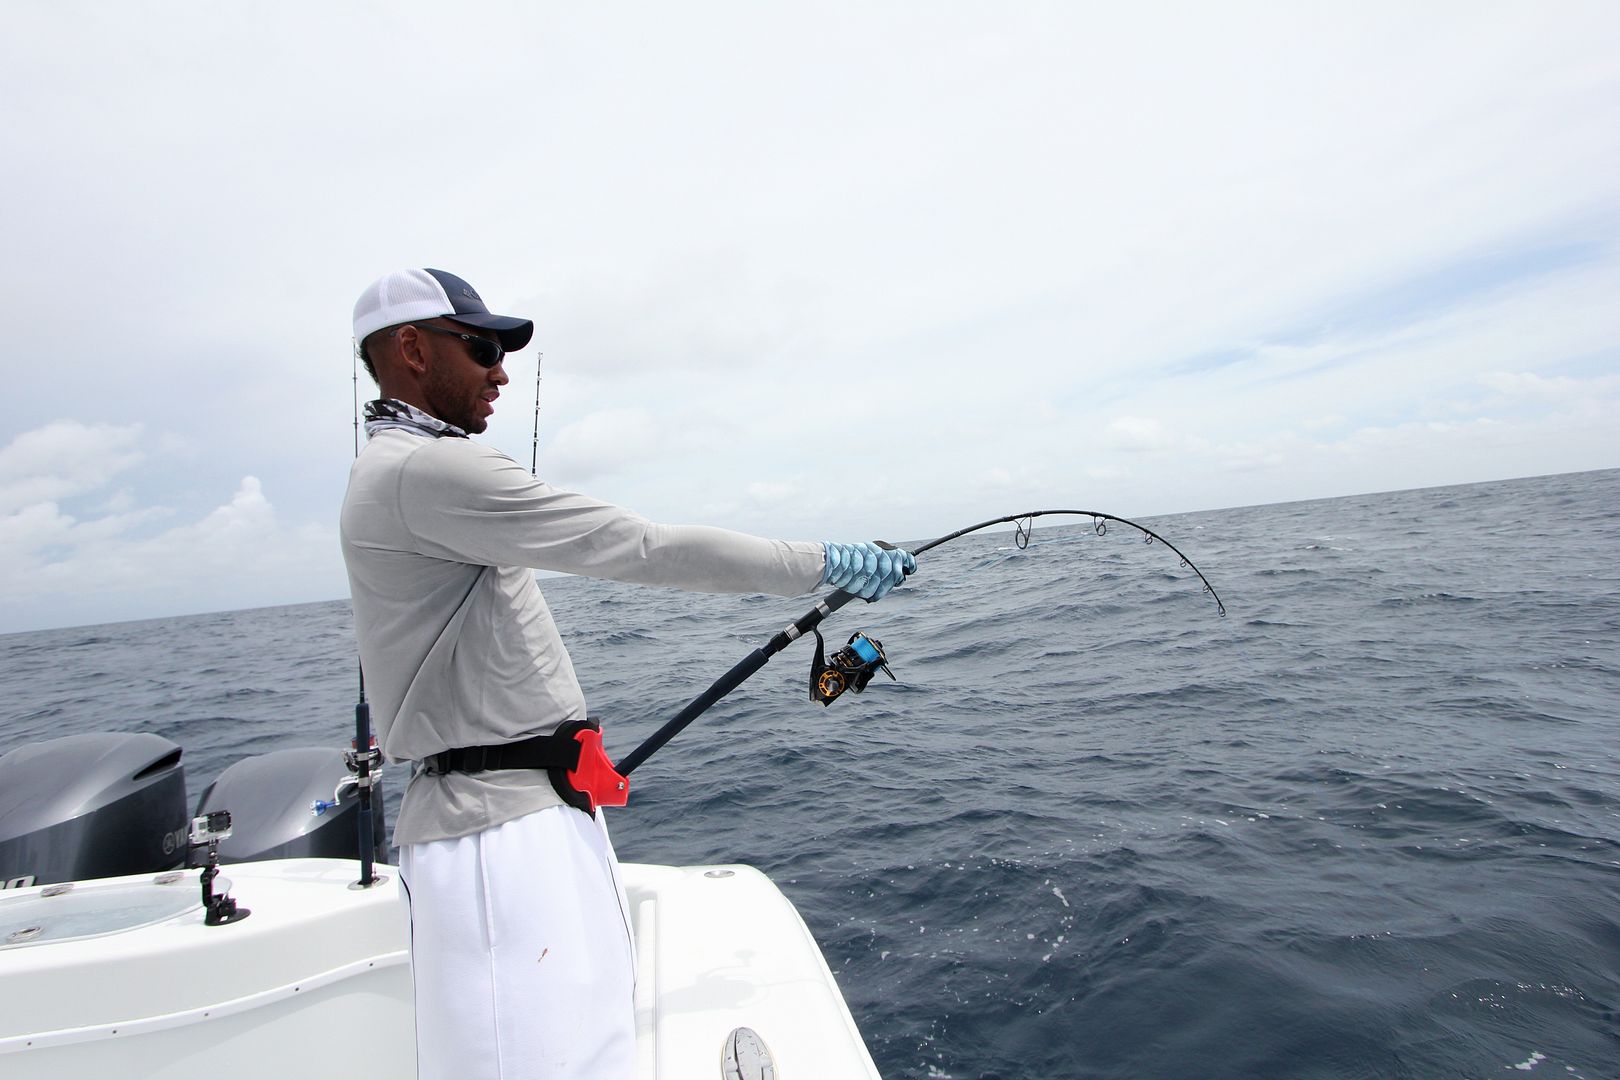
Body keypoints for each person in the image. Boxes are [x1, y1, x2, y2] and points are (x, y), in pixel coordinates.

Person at [340, 267, 914, 1080]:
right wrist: (821, 564)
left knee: (595, 1051)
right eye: (481, 346)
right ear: (411, 349)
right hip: (496, 844)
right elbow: (641, 548)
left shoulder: (410, 470)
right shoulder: (423, 472)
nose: (501, 369)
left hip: (526, 813)